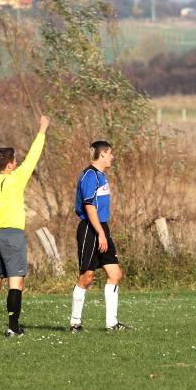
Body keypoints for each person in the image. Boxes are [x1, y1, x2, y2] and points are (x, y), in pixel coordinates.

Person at [0, 114, 49, 336]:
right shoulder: (15, 179)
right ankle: (13, 328)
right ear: (9, 165)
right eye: (15, 161)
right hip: (13, 236)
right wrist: (42, 130)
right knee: (16, 284)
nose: (17, 164)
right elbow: (34, 156)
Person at [69, 140, 128, 332]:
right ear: (102, 155)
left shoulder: (101, 176)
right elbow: (89, 206)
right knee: (87, 276)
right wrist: (100, 233)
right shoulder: (90, 175)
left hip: (102, 227)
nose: (112, 157)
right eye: (110, 153)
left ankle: (112, 323)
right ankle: (75, 323)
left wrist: (104, 231)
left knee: (115, 274)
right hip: (89, 228)